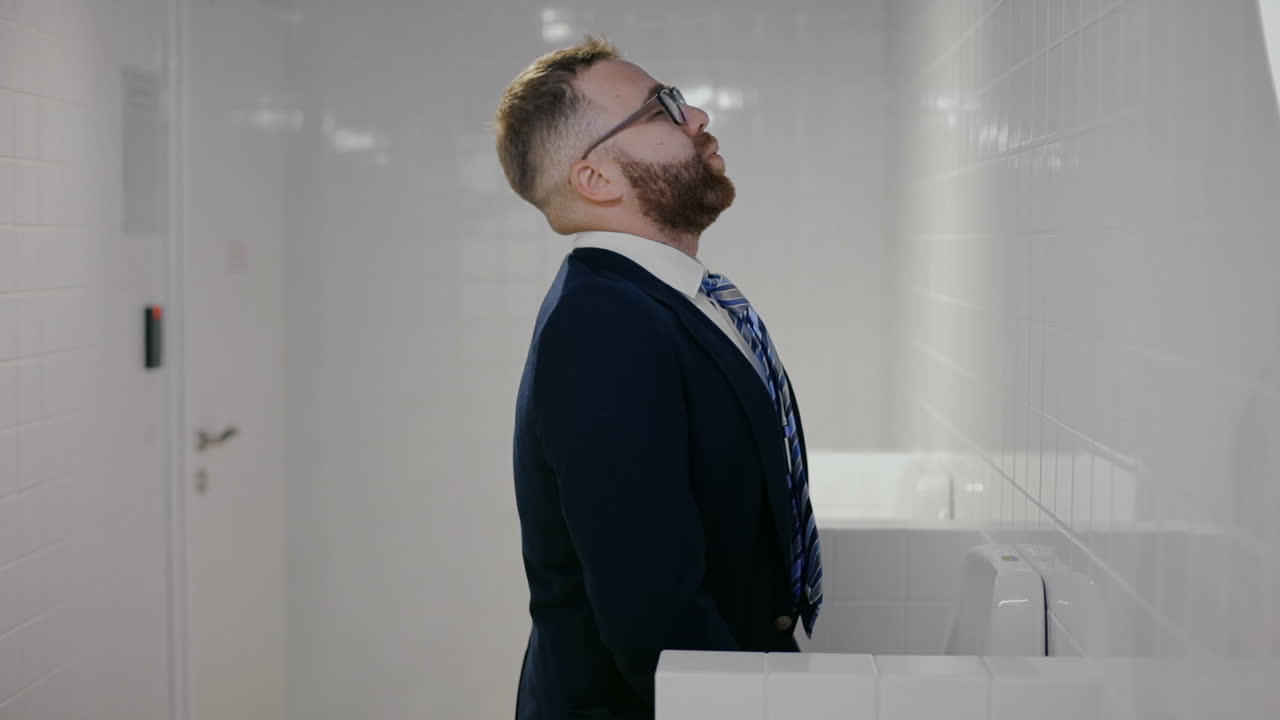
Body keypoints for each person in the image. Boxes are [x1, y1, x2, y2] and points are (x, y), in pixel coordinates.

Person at [495, 35, 823, 720]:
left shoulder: (649, 302)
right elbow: (653, 607)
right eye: (661, 109)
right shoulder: (604, 327)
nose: (697, 116)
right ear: (597, 179)